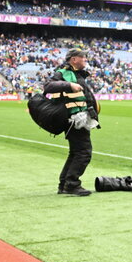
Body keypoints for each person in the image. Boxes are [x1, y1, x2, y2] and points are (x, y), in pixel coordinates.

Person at [44, 48, 99, 196]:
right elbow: (48, 87)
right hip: (74, 119)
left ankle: (64, 184)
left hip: (79, 118)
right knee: (84, 152)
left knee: (75, 152)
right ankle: (72, 184)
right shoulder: (64, 72)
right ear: (74, 59)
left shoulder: (76, 74)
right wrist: (69, 85)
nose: (85, 60)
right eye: (83, 58)